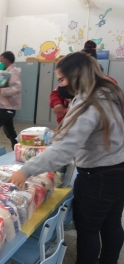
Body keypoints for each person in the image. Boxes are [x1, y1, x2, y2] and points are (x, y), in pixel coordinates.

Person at [7, 52, 124, 264]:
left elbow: (63, 151)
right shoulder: (108, 91)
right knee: (112, 224)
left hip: (99, 176)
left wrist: (25, 170)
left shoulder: (89, 103)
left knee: (89, 230)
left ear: (76, 76)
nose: (59, 85)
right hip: (118, 168)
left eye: (61, 79)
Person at [49, 40, 117, 123]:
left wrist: (71, 110)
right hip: (66, 122)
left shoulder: (106, 85)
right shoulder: (70, 80)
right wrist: (57, 104)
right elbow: (56, 92)